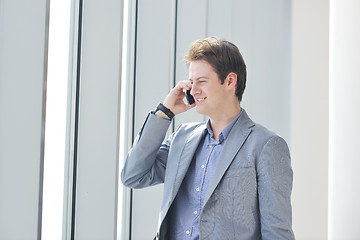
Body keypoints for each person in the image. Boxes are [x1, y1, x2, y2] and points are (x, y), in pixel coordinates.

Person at [121, 37, 295, 240]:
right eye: (191, 82)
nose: (193, 91)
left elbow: (277, 233)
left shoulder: (266, 145)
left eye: (201, 81)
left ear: (230, 81)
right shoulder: (182, 139)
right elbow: (133, 176)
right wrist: (164, 113)